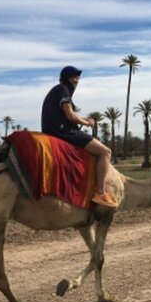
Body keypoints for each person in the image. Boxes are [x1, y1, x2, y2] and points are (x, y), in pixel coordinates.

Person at [41, 66, 117, 208]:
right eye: (73, 77)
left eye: (78, 77)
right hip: (63, 132)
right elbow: (69, 114)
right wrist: (86, 122)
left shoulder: (58, 90)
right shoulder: (62, 90)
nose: (77, 80)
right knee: (105, 152)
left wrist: (82, 120)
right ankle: (100, 193)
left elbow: (68, 115)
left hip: (55, 130)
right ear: (66, 78)